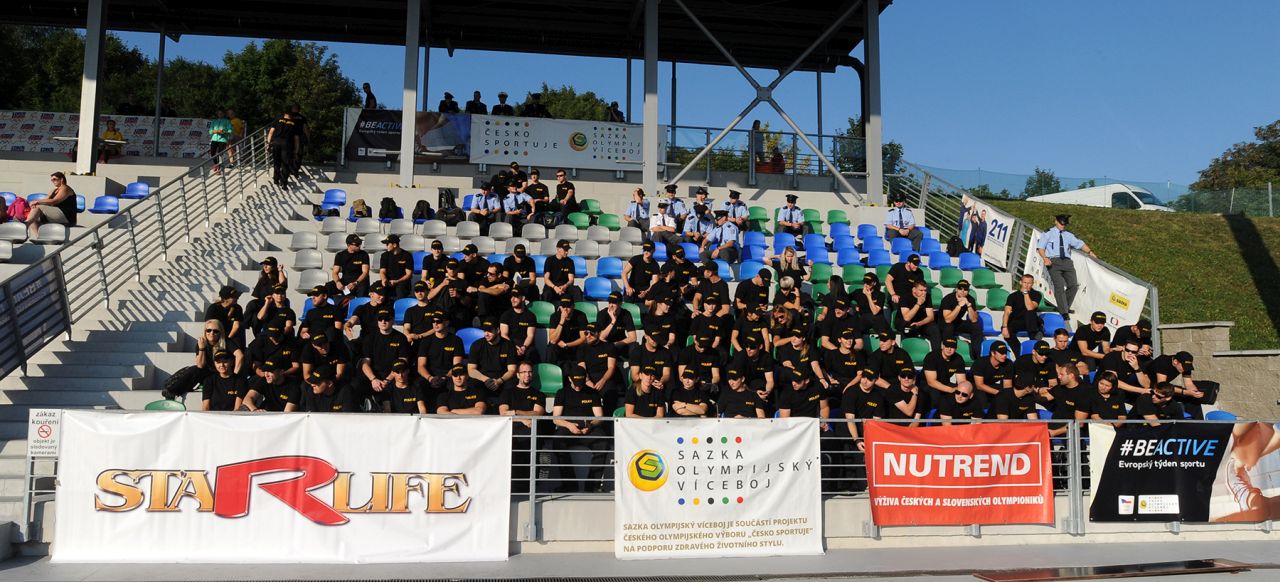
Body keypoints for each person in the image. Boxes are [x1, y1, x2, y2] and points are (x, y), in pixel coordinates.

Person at [551, 370, 609, 492]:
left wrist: (590, 425)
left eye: (581, 383)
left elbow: (599, 417)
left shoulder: (592, 392)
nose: (578, 386)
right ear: (569, 379)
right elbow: (556, 418)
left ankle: (592, 485)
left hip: (589, 428)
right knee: (558, 441)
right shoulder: (562, 392)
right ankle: (569, 485)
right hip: (567, 428)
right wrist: (569, 425)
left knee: (603, 442)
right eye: (576, 383)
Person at [1037, 213, 1097, 317]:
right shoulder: (1047, 233)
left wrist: (1090, 252)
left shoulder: (1068, 235)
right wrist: (1045, 258)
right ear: (1056, 221)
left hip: (1067, 262)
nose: (1063, 226)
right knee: (1059, 286)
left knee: (1073, 285)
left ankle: (1064, 307)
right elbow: (1040, 248)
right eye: (1061, 223)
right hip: (1053, 261)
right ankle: (1064, 312)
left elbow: (1080, 244)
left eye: (1064, 224)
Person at [501, 361, 545, 492]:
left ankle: (529, 488)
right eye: (524, 372)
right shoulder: (507, 393)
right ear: (518, 375)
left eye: (530, 372)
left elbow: (537, 413)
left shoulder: (538, 394)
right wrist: (523, 419)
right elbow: (503, 413)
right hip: (511, 431)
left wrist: (516, 412)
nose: (527, 375)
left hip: (530, 432)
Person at [1144, 350, 1210, 419]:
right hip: (1152, 388)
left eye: (1187, 367)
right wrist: (1184, 392)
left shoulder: (1184, 366)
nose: (1185, 369)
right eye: (1184, 367)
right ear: (1175, 361)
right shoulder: (1163, 361)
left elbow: (1189, 383)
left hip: (1165, 387)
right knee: (1172, 401)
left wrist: (1195, 393)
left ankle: (1196, 423)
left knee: (1193, 399)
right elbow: (1162, 386)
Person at [469, 318, 517, 404]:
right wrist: (486, 380)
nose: (486, 334)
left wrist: (499, 381)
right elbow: (471, 370)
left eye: (489, 331)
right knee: (472, 383)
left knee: (512, 383)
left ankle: (505, 408)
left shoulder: (508, 345)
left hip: (502, 379)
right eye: (484, 331)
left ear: (498, 330)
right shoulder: (476, 345)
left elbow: (512, 370)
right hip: (483, 378)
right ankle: (478, 407)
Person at [417, 313, 465, 395]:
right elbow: (421, 366)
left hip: (448, 376)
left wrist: (444, 378)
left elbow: (456, 366)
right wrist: (430, 378)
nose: (435, 324)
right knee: (418, 385)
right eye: (433, 321)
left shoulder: (456, 340)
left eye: (438, 321)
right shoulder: (426, 341)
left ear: (446, 323)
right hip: (430, 376)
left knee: (455, 385)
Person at [938, 279, 984, 363]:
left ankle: (977, 357)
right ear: (956, 289)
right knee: (949, 327)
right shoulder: (948, 298)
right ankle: (947, 356)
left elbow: (974, 319)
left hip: (957, 322)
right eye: (960, 288)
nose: (962, 291)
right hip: (943, 323)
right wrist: (959, 306)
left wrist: (968, 305)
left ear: (968, 291)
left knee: (976, 326)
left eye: (965, 289)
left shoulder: (970, 299)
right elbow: (948, 320)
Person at [26, 172, 79, 240]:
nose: (53, 181)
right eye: (52, 180)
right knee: (33, 217)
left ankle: (26, 225)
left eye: (54, 179)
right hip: (56, 214)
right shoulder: (55, 190)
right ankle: (39, 238)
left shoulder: (65, 188)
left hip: (67, 216)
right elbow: (46, 201)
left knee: (37, 208)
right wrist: (37, 203)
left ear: (61, 179)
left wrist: (37, 202)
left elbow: (55, 201)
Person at [897, 280, 941, 347]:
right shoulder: (905, 297)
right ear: (914, 290)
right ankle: (906, 351)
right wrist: (918, 304)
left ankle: (936, 352)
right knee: (908, 329)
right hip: (905, 321)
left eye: (925, 290)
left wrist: (919, 323)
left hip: (920, 322)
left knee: (934, 329)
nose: (924, 293)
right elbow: (907, 318)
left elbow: (931, 317)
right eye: (921, 290)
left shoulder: (927, 296)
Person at [546, 297, 588, 366]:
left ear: (573, 306)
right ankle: (551, 369)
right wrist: (561, 322)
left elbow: (583, 338)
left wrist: (567, 345)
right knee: (551, 347)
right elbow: (552, 340)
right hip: (560, 344)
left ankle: (581, 369)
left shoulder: (581, 316)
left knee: (584, 346)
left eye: (568, 306)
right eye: (563, 306)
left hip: (575, 345)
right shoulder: (555, 316)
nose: (565, 309)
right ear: (560, 307)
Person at [1002, 273, 1044, 341]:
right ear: (1020, 282)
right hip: (1017, 320)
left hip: (1031, 321)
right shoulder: (1012, 296)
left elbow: (1030, 308)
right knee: (1006, 330)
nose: (1026, 285)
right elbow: (1007, 311)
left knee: (1030, 313)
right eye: (1025, 282)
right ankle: (1017, 348)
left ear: (1032, 284)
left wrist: (1025, 293)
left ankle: (1034, 340)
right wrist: (1004, 327)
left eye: (1029, 283)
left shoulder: (1036, 294)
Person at [500, 292, 539, 363]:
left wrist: (524, 347)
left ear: (523, 298)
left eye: (515, 297)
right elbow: (504, 335)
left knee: (532, 352)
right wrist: (513, 347)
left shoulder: (530, 316)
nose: (512, 299)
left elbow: (530, 335)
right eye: (511, 297)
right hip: (510, 344)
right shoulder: (506, 315)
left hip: (526, 345)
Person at [266, 111, 299, 187]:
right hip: (287, 144)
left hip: (276, 143)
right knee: (285, 163)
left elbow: (271, 132)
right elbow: (296, 139)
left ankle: (276, 179)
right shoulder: (294, 123)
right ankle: (284, 182)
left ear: (284, 114)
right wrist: (296, 150)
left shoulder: (278, 120)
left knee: (277, 162)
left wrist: (268, 144)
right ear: (291, 115)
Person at [378, 234, 414, 300]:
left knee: (401, 288)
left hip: (402, 282)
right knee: (376, 287)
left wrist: (397, 281)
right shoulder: (384, 255)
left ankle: (399, 305)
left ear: (394, 245)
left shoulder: (407, 255)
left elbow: (409, 274)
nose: (386, 246)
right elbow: (382, 271)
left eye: (387, 244)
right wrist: (384, 279)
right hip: (388, 281)